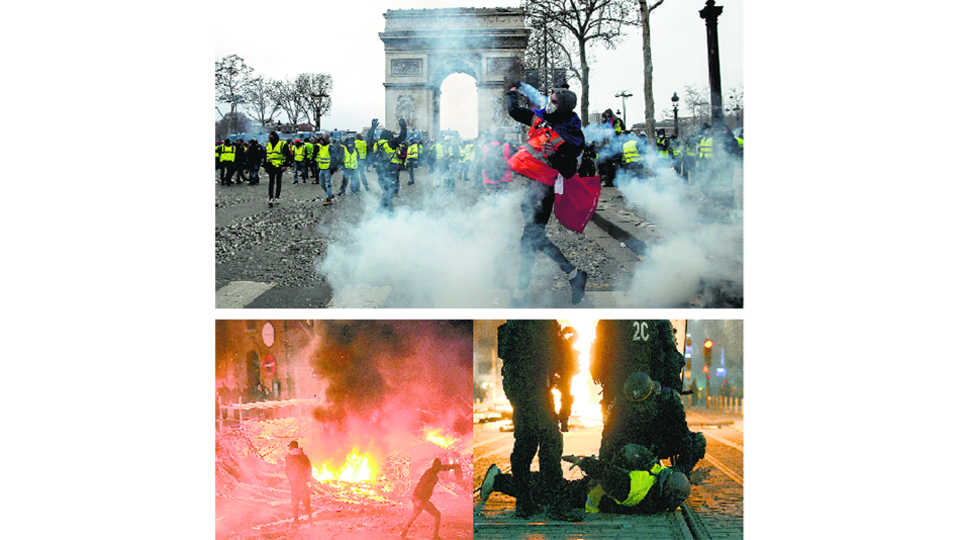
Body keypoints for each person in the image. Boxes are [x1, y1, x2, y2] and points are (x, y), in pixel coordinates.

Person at [505, 84, 588, 307]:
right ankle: (572, 273)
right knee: (531, 239)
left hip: (543, 193)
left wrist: (556, 157)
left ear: (564, 107)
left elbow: (569, 170)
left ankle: (520, 294)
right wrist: (511, 91)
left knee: (529, 239)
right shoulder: (541, 118)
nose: (548, 103)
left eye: (553, 101)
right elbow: (515, 111)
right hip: (533, 188)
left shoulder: (571, 135)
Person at [478, 443, 689, 519]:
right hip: (591, 493)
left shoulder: (645, 483)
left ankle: (498, 480)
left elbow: (607, 473)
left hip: (589, 493)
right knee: (550, 488)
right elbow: (610, 474)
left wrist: (582, 461)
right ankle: (499, 480)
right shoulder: (651, 494)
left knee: (549, 489)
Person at [496, 320, 574, 519]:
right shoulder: (546, 328)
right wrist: (564, 412)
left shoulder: (515, 326)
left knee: (525, 444)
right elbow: (564, 375)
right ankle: (556, 505)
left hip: (519, 394)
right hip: (537, 393)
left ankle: (524, 503)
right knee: (550, 444)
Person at [598, 371, 706, 476]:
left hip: (661, 441)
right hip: (634, 443)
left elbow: (683, 435)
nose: (640, 409)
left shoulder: (669, 400)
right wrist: (603, 468)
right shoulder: (619, 404)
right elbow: (607, 436)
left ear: (653, 396)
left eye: (643, 403)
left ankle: (679, 474)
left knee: (698, 442)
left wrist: (682, 470)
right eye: (635, 405)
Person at [400, 457, 460, 539]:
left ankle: (403, 533)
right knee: (437, 515)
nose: (439, 468)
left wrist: (453, 466)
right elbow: (422, 486)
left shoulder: (431, 470)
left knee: (414, 515)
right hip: (421, 499)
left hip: (417, 497)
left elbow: (443, 467)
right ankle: (435, 536)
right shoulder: (431, 474)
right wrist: (420, 500)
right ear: (436, 466)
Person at [364, 118, 407, 213]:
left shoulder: (376, 144)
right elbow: (402, 136)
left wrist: (373, 127)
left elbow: (369, 138)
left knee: (386, 191)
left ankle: (388, 212)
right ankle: (382, 213)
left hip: (380, 170)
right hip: (391, 170)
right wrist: (403, 126)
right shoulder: (391, 143)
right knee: (388, 192)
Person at [284, 440, 313, 524]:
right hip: (303, 483)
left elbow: (287, 470)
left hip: (295, 483)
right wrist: (307, 478)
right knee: (306, 501)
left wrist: (291, 479)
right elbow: (309, 468)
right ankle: (310, 519)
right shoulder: (303, 456)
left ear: (291, 447)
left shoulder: (289, 457)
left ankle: (296, 520)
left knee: (295, 502)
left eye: (289, 446)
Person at [264, 132, 289, 207]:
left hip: (279, 165)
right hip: (271, 165)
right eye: (269, 137)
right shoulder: (268, 145)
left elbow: (287, 155)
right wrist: (265, 166)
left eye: (271, 137)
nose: (269, 139)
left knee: (278, 182)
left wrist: (285, 165)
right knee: (271, 182)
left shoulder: (282, 144)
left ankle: (277, 197)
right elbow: (266, 156)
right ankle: (271, 197)